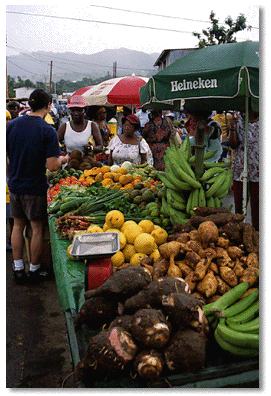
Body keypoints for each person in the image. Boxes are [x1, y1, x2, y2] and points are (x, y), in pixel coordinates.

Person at [6, 88, 68, 284]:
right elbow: (52, 166)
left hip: (15, 185)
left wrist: (11, 176)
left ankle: (17, 269)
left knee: (17, 226)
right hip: (35, 187)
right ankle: (34, 269)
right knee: (36, 228)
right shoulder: (47, 130)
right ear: (48, 106)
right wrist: (63, 159)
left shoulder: (12, 125)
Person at [228, 109, 259, 231]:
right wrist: (232, 128)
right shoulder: (238, 120)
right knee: (239, 208)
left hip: (258, 171)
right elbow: (233, 144)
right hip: (240, 170)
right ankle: (239, 233)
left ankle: (257, 234)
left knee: (258, 207)